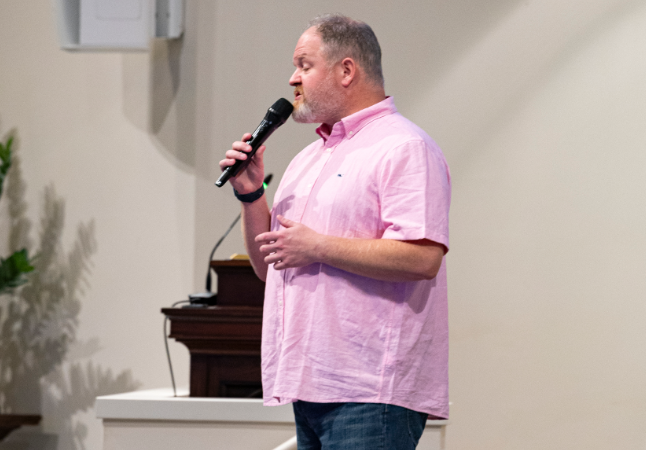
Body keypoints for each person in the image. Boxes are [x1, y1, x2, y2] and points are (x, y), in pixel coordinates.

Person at [219, 14, 451, 450]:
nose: (293, 79)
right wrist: (251, 196)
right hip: (309, 383)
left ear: (346, 70)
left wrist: (318, 246)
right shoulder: (308, 159)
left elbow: (422, 257)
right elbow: (270, 270)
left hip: (371, 390)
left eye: (304, 65)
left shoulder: (404, 147)